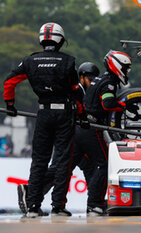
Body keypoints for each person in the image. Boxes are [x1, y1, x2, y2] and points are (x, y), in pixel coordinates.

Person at [3, 22, 88, 218]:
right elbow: (76, 91)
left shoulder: (30, 61)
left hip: (43, 114)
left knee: (39, 161)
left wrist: (10, 105)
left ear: (42, 39)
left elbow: (9, 82)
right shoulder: (68, 61)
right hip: (64, 115)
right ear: (60, 40)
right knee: (63, 161)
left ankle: (33, 206)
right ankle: (58, 206)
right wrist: (82, 115)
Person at [17, 62, 100, 215]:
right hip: (69, 133)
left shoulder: (87, 90)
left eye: (94, 78)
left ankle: (94, 203)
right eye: (89, 78)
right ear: (81, 77)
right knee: (61, 168)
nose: (91, 81)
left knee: (84, 168)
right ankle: (31, 190)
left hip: (75, 134)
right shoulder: (77, 89)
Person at [81, 50, 133, 216]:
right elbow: (108, 103)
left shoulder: (99, 79)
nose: (127, 72)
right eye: (126, 68)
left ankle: (31, 193)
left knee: (64, 166)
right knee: (104, 164)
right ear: (117, 66)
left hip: (80, 128)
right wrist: (125, 106)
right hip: (92, 128)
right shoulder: (109, 82)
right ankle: (94, 205)